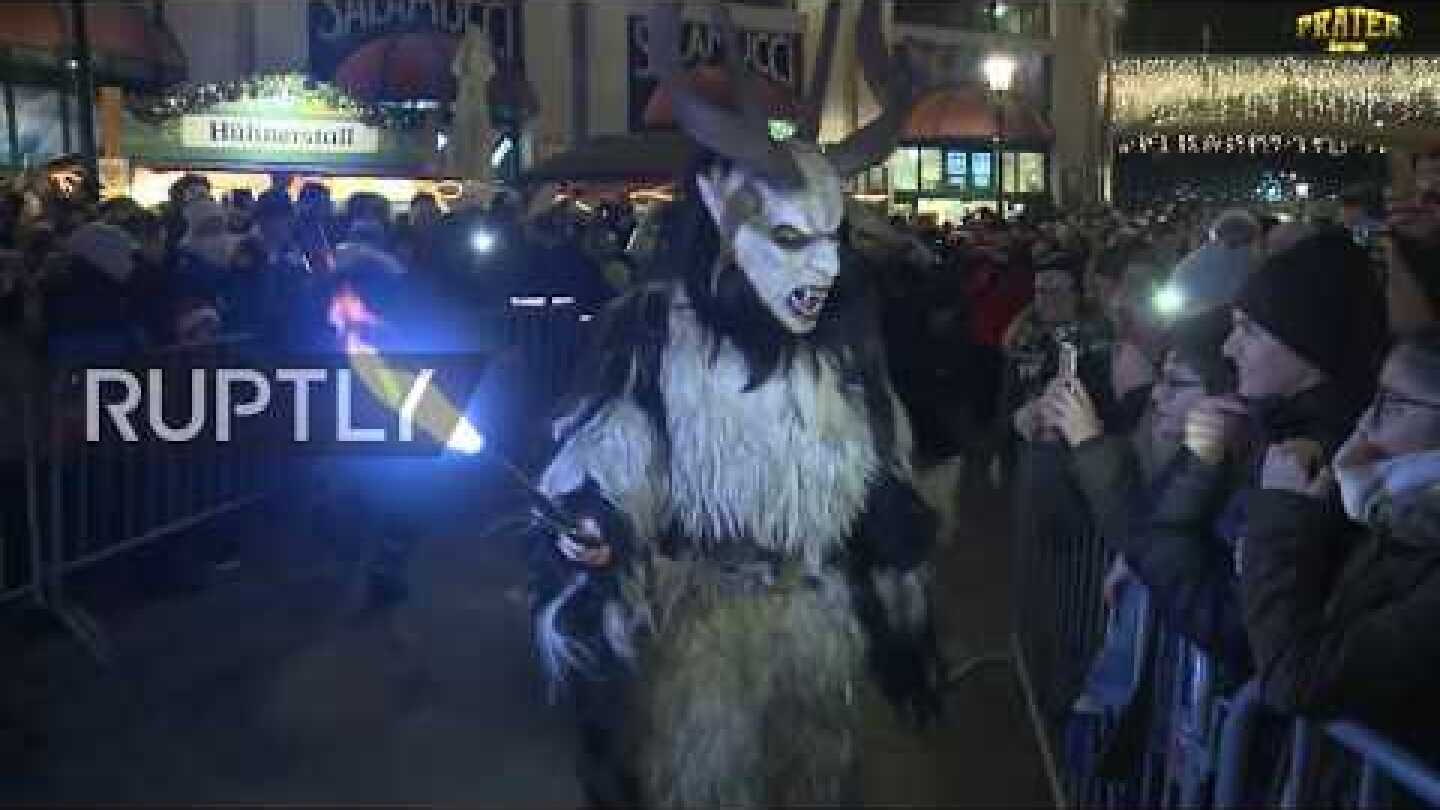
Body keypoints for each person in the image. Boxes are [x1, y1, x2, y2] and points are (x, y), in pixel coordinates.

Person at [528, 4, 939, 805]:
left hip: (817, 629)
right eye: (790, 241)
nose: (825, 269)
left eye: (832, 239)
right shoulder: (657, 334)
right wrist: (596, 517)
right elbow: (616, 448)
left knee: (816, 783)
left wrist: (893, 525)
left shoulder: (846, 350)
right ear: (720, 210)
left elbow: (880, 465)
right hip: (705, 637)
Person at [1244, 328, 1440, 761]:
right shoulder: (1384, 516)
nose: (1365, 422)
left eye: (1393, 404)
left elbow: (1298, 677)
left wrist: (1282, 518)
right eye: (1374, 399)